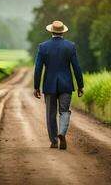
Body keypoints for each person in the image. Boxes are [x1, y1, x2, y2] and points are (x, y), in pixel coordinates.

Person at [33, 20, 84, 150]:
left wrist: (36, 87)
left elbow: (38, 68)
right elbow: (77, 67)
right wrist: (80, 85)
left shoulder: (43, 47)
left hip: (49, 85)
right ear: (62, 32)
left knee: (50, 114)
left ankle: (54, 140)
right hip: (66, 84)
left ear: (51, 31)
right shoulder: (70, 46)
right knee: (64, 111)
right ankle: (62, 132)